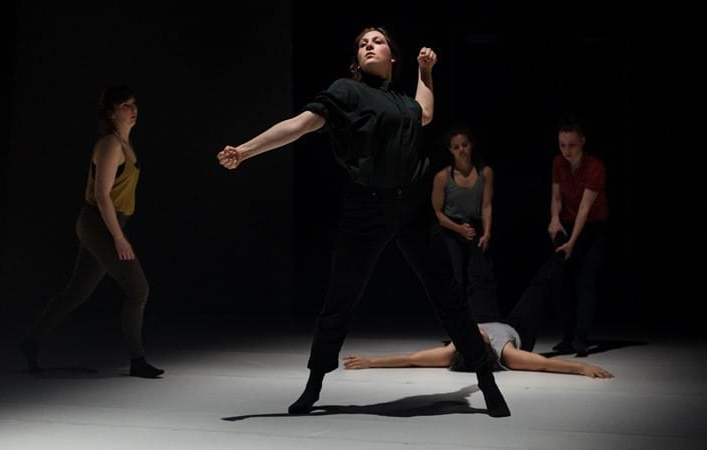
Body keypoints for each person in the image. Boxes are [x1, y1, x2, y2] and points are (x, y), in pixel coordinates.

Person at [218, 27, 510, 417]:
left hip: (414, 209)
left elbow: (425, 113)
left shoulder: (404, 103)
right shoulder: (347, 91)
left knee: (448, 298)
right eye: (362, 43)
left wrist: (426, 72)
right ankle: (314, 384)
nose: (369, 45)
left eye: (378, 41)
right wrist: (245, 150)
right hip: (367, 209)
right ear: (357, 61)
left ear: (393, 57)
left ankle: (486, 380)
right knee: (340, 298)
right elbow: (299, 125)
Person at [19, 85, 163, 379]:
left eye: (134, 103)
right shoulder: (110, 144)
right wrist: (118, 238)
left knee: (77, 291)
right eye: (125, 105)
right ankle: (137, 359)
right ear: (111, 112)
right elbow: (101, 195)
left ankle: (30, 341)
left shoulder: (126, 143)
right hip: (99, 223)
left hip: (106, 223)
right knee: (138, 289)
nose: (132, 109)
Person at [343, 234, 613, 379]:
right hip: (516, 329)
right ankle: (561, 253)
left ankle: (474, 240)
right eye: (478, 338)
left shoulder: (455, 348)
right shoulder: (507, 354)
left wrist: (371, 361)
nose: (474, 333)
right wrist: (582, 369)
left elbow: (411, 359)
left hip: (487, 316)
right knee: (537, 289)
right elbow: (544, 365)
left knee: (479, 282)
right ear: (485, 347)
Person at [548, 119, 609, 356]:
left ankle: (581, 338)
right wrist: (554, 219)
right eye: (562, 145)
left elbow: (585, 208)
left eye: (571, 145)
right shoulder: (558, 163)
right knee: (562, 282)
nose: (566, 150)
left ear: (582, 141)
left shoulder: (595, 167)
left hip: (593, 228)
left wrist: (572, 243)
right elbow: (556, 196)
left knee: (585, 280)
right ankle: (567, 336)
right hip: (567, 224)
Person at [432, 127, 499, 323]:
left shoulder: (484, 172)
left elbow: (486, 205)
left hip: (475, 227)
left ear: (471, 146)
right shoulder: (443, 177)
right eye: (456, 147)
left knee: (479, 276)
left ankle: (481, 322)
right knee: (455, 277)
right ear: (450, 150)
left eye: (465, 145)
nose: (461, 150)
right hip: (452, 229)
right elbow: (437, 212)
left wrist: (486, 233)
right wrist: (458, 229)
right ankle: (457, 324)